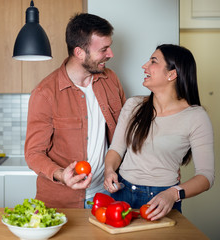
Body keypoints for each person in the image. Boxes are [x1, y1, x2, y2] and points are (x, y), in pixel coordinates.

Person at [24, 13, 126, 208]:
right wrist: (61, 175)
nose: (110, 54)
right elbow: (33, 153)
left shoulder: (111, 80)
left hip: (106, 195)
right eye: (103, 49)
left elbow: (125, 134)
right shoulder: (45, 93)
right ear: (79, 52)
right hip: (62, 201)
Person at [103, 44, 215, 220]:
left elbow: (206, 176)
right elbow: (117, 149)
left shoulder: (196, 117)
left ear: (172, 74)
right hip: (121, 195)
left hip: (161, 200)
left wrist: (173, 194)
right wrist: (109, 170)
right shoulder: (134, 105)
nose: (144, 66)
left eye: (153, 61)